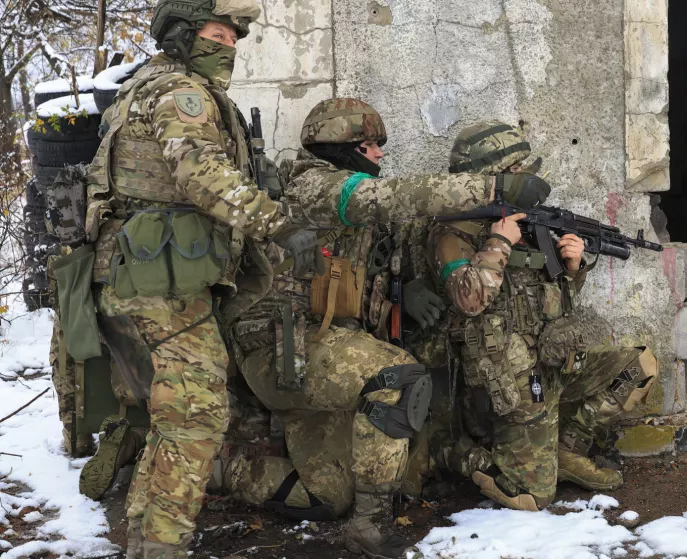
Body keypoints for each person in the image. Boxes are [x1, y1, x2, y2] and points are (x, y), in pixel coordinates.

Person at [209, 98, 553, 559]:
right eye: (370, 145)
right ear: (340, 147)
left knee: (329, 496)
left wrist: (401, 293)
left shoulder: (350, 210)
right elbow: (392, 198)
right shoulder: (314, 187)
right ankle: (370, 528)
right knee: (398, 377)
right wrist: (494, 187)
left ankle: (211, 469)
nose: (380, 155)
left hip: (324, 351)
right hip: (283, 349)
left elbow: (369, 256)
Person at [80, 0, 317, 556]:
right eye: (218, 34)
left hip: (147, 274)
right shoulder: (179, 93)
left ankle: (146, 539)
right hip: (159, 282)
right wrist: (278, 225)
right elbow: (200, 174)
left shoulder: (146, 85)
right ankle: (161, 546)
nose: (229, 46)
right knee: (197, 416)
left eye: (235, 39)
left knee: (173, 416)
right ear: (184, 35)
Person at [425, 121, 659, 511]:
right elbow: (468, 301)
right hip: (507, 377)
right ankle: (448, 451)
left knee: (638, 365)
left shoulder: (529, 222)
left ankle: (567, 451)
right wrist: (498, 242)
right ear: (489, 177)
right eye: (516, 171)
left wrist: (572, 268)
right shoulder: (455, 231)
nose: (526, 179)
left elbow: (551, 303)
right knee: (531, 497)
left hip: (551, 362)